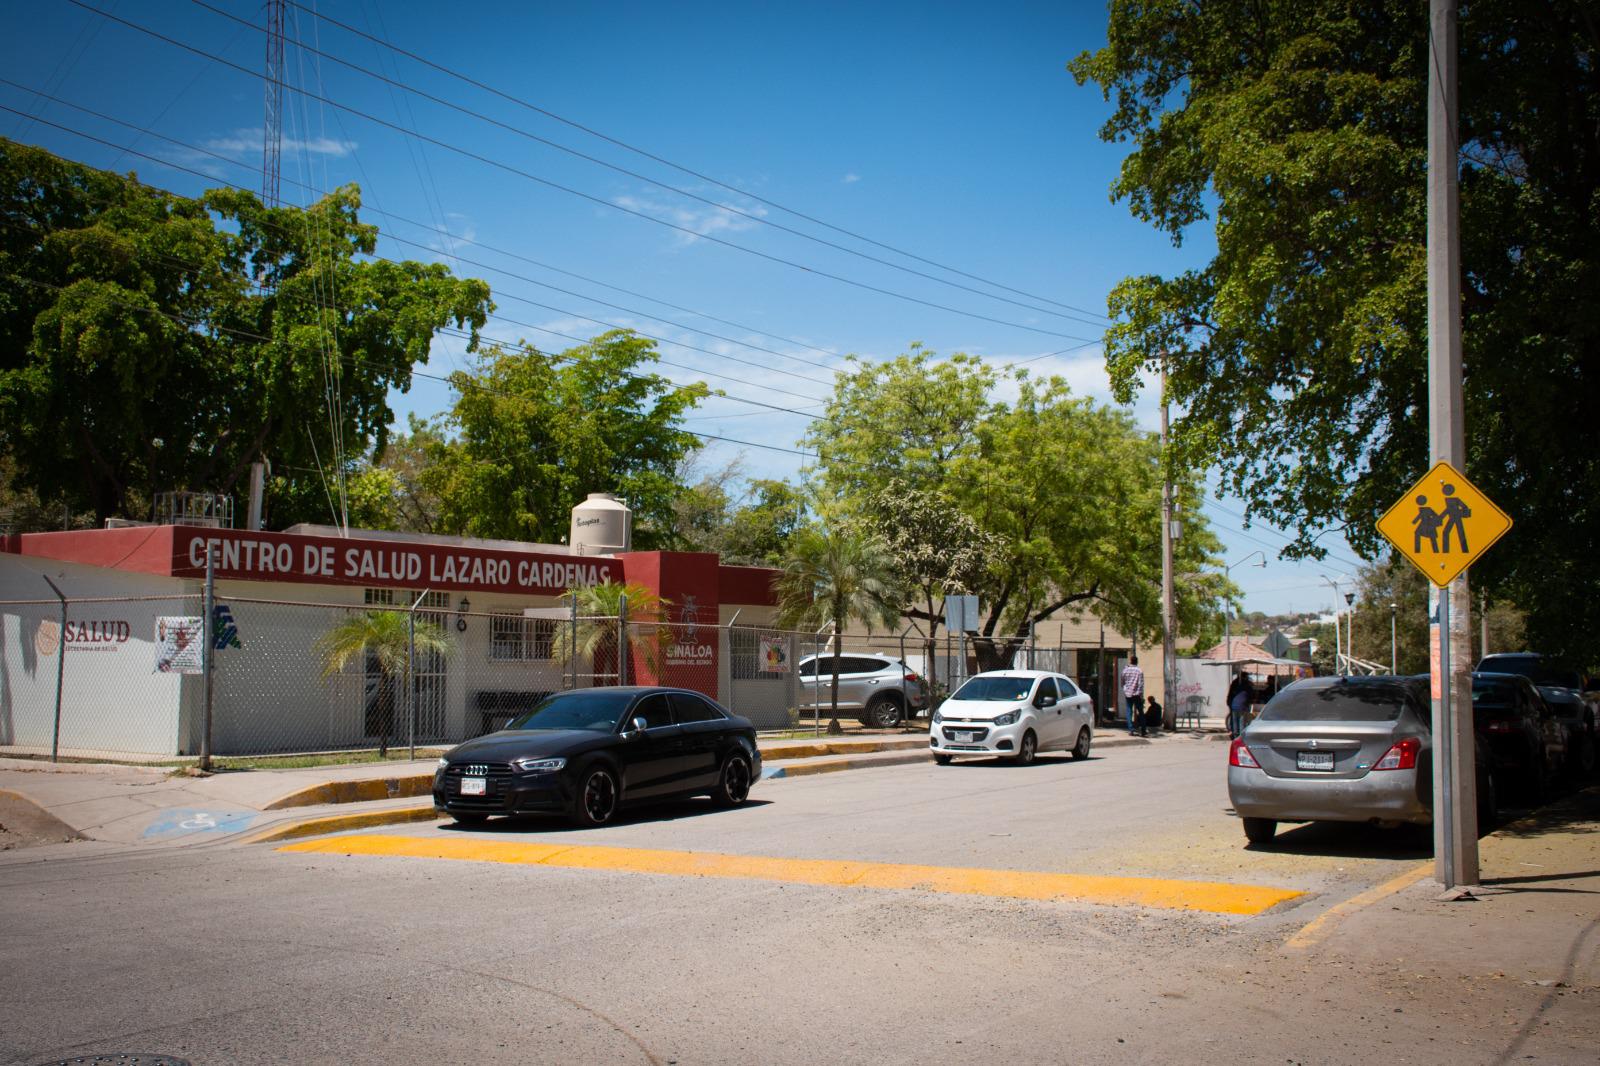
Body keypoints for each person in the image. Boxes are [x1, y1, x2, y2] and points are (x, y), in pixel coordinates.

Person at [1121, 654, 1145, 736]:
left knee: (1129, 711)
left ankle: (1131, 729)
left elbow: (1122, 682)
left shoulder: (1125, 670)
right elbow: (1141, 684)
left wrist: (1125, 690)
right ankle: (1143, 730)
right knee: (1141, 712)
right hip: (1137, 694)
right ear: (1137, 662)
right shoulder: (1139, 671)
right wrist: (1141, 694)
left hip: (1128, 694)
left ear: (1130, 661)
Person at [1226, 669, 1253, 739]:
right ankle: (1241, 739)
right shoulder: (1246, 684)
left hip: (1233, 705)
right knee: (1241, 723)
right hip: (1242, 706)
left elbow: (1231, 693)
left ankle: (1235, 737)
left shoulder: (1235, 682)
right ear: (1245, 677)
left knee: (1235, 722)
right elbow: (1251, 694)